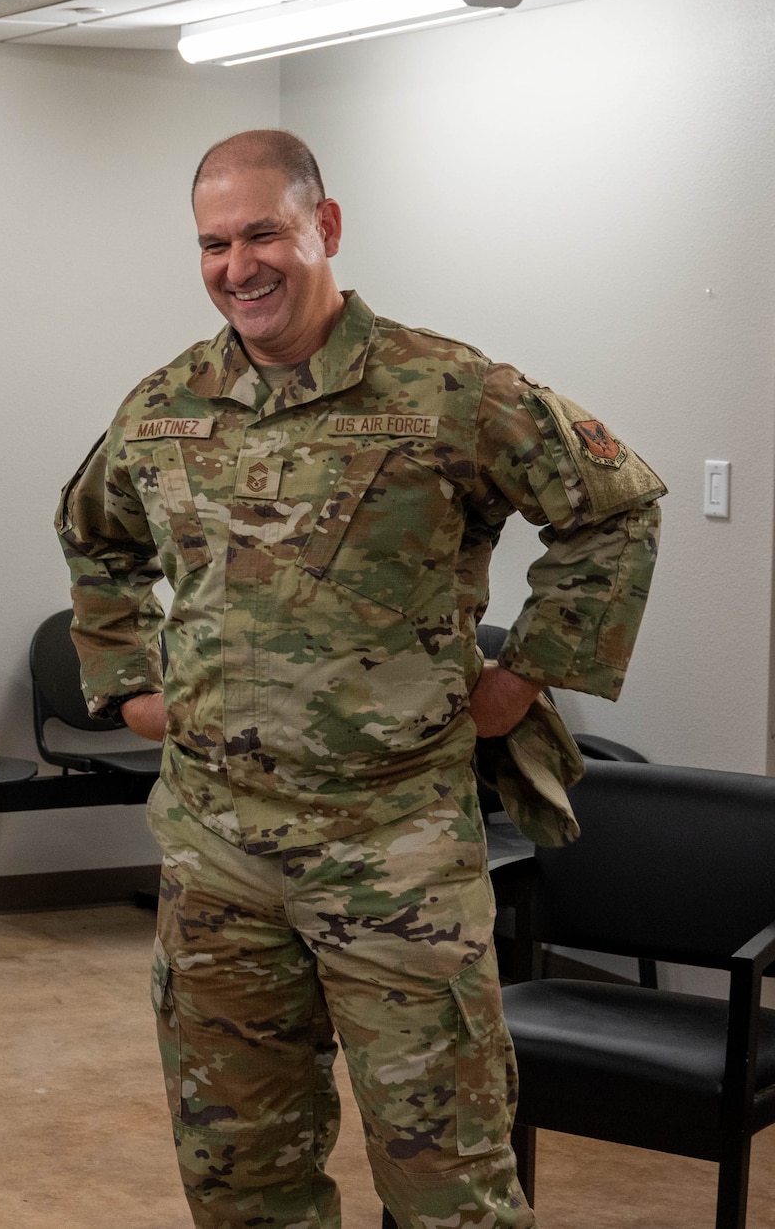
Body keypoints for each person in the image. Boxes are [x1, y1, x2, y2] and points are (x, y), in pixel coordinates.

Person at [57, 130, 664, 1228]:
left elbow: (615, 508)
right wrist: (130, 683)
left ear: (324, 226)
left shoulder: (449, 388)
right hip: (216, 856)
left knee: (449, 1187)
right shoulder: (165, 404)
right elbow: (94, 536)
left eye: (262, 234)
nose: (237, 266)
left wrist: (522, 677)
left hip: (394, 856)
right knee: (240, 1178)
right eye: (212, 244)